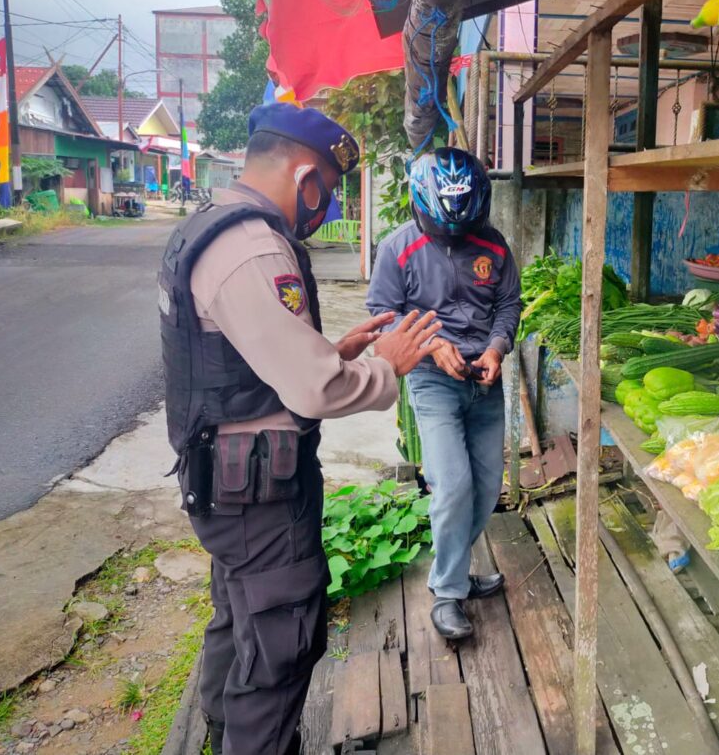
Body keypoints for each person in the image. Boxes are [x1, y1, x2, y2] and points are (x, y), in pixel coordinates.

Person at [158, 102, 442, 755]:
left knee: (239, 619)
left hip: (223, 480)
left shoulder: (207, 225)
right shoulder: (253, 246)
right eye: (330, 191)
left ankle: (223, 732)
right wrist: (384, 366)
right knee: (279, 647)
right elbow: (314, 391)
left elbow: (236, 362)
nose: (327, 207)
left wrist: (333, 351)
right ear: (306, 177)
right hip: (258, 494)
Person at [366, 148, 522, 641]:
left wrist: (496, 348)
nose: (455, 237)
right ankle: (448, 592)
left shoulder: (494, 246)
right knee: (452, 485)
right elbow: (382, 316)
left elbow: (508, 304)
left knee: (486, 488)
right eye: (442, 227)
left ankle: (453, 572)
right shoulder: (397, 249)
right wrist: (432, 347)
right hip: (432, 383)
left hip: (485, 380)